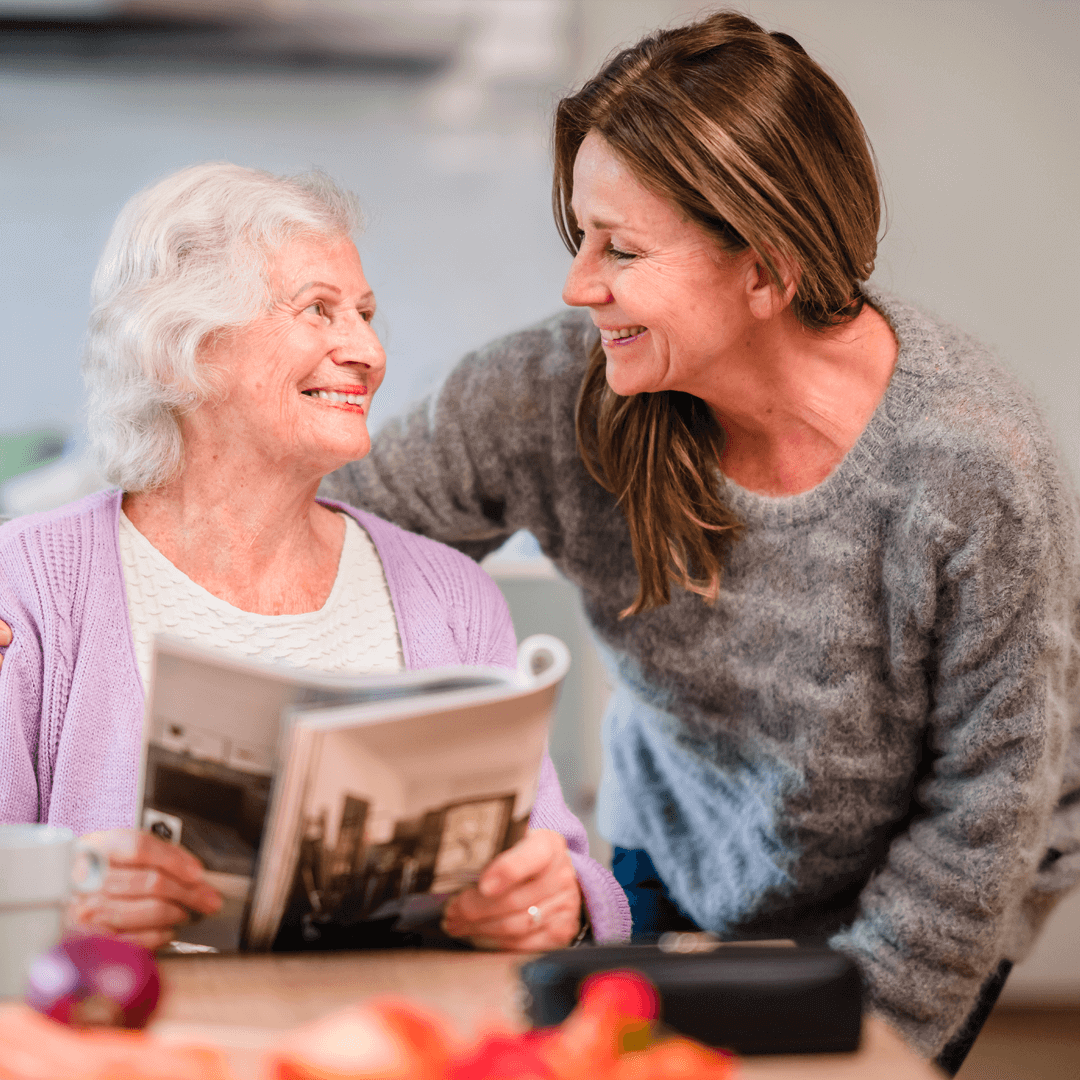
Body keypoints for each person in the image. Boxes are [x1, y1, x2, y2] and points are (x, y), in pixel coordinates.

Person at [324, 11, 1080, 1074]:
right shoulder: (550, 393)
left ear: (765, 271)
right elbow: (329, 534)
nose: (579, 286)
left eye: (621, 250)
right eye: (580, 236)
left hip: (926, 885)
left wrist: (870, 1043)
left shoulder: (973, 467)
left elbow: (987, 803)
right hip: (675, 836)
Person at [0, 162, 630, 954]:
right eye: (320, 311)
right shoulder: (26, 585)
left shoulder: (450, 595)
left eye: (366, 314)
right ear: (175, 350)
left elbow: (561, 872)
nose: (366, 350)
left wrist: (550, 904)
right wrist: (54, 903)